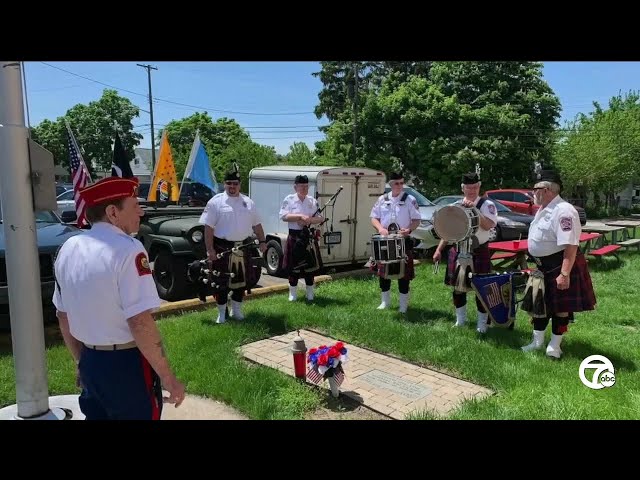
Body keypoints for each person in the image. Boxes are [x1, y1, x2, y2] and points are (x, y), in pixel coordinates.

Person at [52, 176, 185, 420]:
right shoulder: (128, 249)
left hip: (90, 360)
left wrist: (81, 361)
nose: (141, 212)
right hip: (126, 365)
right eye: (134, 205)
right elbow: (140, 322)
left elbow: (63, 315)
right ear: (113, 212)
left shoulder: (68, 248)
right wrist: (169, 379)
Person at [521, 169, 596, 358]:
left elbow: (570, 245)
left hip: (558, 265)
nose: (533, 192)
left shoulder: (564, 211)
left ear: (546, 190)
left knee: (561, 308)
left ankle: (555, 346)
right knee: (540, 304)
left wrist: (564, 274)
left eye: (535, 189)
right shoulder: (544, 208)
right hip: (543, 266)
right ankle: (537, 342)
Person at [199, 163, 267, 323]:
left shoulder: (248, 202)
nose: (232, 186)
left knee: (241, 282)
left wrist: (263, 241)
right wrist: (210, 250)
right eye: (229, 183)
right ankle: (222, 314)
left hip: (243, 246)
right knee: (221, 283)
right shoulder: (215, 202)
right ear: (224, 184)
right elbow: (208, 228)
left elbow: (257, 224)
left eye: (235, 184)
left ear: (239, 185)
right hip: (222, 247)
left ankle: (237, 311)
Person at [433, 172, 498, 333]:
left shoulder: (487, 205)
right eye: (469, 187)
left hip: (479, 250)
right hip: (459, 249)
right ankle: (460, 320)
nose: (472, 191)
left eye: (475, 187)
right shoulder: (456, 205)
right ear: (463, 188)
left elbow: (488, 225)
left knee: (480, 288)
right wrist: (439, 249)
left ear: (479, 186)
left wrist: (475, 209)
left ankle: (482, 324)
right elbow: (448, 231)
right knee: (457, 288)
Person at [370, 172, 422, 313]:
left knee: (403, 275)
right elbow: (374, 217)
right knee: (384, 273)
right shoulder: (382, 199)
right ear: (391, 184)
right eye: (396, 183)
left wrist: (409, 230)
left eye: (401, 183)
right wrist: (380, 228)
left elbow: (417, 220)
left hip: (402, 241)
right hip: (386, 241)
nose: (399, 186)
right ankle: (385, 302)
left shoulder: (409, 199)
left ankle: (403, 306)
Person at [279, 174, 325, 302]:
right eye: (301, 186)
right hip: (294, 235)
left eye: (306, 186)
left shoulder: (312, 201)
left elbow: (321, 218)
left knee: (310, 267)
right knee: (293, 267)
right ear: (295, 187)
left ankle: (310, 293)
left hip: (308, 236)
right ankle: (292, 293)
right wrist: (299, 217)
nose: (304, 189)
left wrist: (310, 220)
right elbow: (283, 216)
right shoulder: (289, 199)